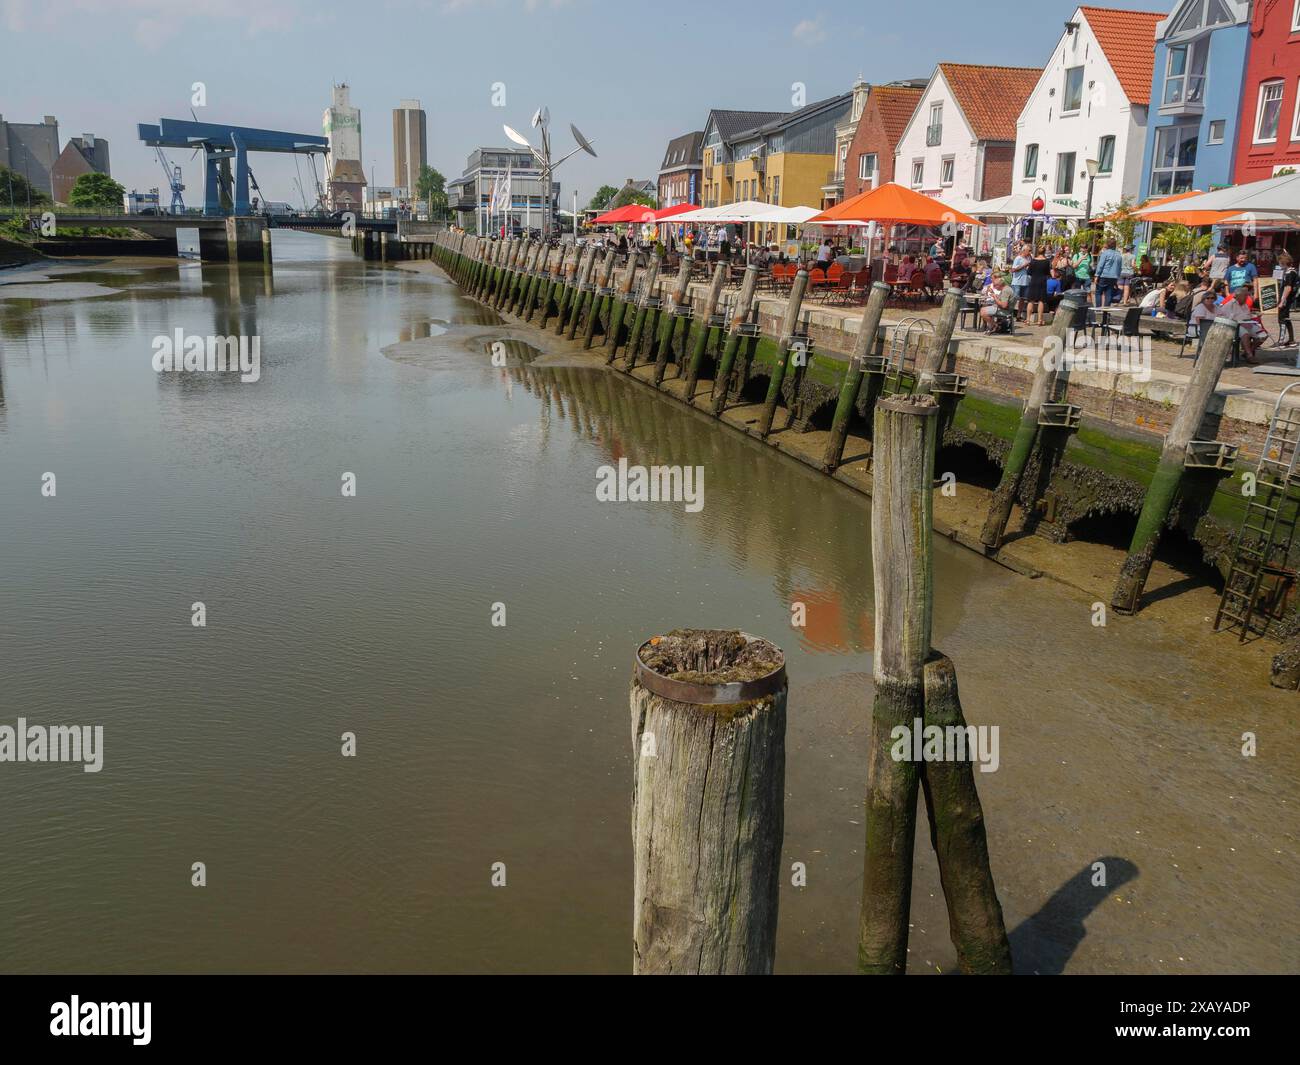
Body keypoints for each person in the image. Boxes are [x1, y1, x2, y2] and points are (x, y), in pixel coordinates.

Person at [1025, 246, 1052, 326]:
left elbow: (1029, 272)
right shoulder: (1047, 261)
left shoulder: (1033, 261)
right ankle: (1040, 320)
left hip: (1033, 281)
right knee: (1041, 301)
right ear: (1044, 252)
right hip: (1042, 281)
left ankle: (1028, 320)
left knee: (1031, 300)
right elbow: (1048, 273)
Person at [1275, 252, 1297, 348]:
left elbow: (1288, 288)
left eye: (1280, 262)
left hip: (1286, 299)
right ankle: (1291, 340)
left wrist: (1282, 301)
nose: (1279, 264)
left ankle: (1281, 341)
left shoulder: (1289, 273)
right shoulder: (1292, 271)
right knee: (1287, 319)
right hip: (1288, 299)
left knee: (1282, 319)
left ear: (1283, 262)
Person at [1094, 238, 1123, 307]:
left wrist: (1096, 275)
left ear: (1107, 244)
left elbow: (1100, 265)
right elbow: (1119, 268)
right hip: (1113, 277)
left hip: (1104, 276)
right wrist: (1117, 277)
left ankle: (1098, 309)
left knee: (1098, 292)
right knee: (1109, 293)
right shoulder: (1119, 255)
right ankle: (1106, 311)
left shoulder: (1105, 253)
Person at [1011, 242, 1031, 319]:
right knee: (1015, 298)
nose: (1030, 252)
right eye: (1029, 251)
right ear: (1024, 250)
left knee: (1023, 299)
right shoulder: (1018, 258)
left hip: (1025, 281)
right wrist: (1024, 266)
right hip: (1017, 282)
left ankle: (1019, 315)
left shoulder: (1029, 258)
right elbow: (1013, 270)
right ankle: (1010, 313)